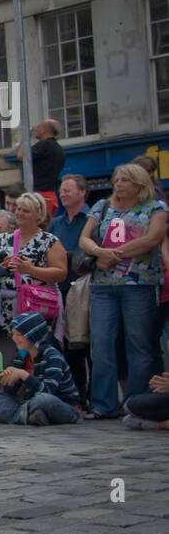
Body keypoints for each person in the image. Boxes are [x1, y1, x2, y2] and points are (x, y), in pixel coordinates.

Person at [79, 163, 169, 419]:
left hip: (139, 284)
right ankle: (103, 404)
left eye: (125, 180)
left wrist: (114, 254)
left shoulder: (156, 208)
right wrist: (99, 253)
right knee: (102, 343)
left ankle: (135, 404)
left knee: (139, 344)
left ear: (139, 184)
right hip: (103, 285)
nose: (118, 184)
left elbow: (153, 239)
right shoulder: (102, 206)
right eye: (116, 180)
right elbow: (85, 238)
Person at [0, 312, 81, 425]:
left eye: (19, 335)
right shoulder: (21, 356)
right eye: (13, 334)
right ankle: (30, 418)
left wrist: (23, 375)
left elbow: (48, 392)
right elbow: (10, 393)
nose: (14, 338)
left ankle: (20, 417)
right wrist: (9, 379)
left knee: (43, 399)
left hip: (61, 404)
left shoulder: (52, 356)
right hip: (31, 402)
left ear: (32, 335)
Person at [50, 173, 93, 401]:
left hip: (85, 289)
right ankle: (78, 393)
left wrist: (66, 256)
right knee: (70, 345)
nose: (63, 194)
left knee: (90, 344)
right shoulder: (56, 223)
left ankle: (95, 394)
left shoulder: (91, 219)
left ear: (82, 192)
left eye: (68, 190)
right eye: (62, 190)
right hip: (62, 289)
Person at [0, 192, 67, 327]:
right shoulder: (3, 238)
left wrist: (31, 270)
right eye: (18, 209)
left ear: (39, 215)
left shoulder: (49, 241)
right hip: (6, 308)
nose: (20, 213)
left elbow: (61, 273)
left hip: (36, 307)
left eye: (26, 211)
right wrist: (2, 266)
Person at [16, 118, 65, 218]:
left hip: (40, 196)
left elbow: (21, 155)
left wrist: (26, 137)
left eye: (38, 127)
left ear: (44, 130)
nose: (36, 129)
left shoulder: (44, 145)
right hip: (51, 196)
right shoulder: (59, 149)